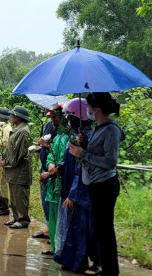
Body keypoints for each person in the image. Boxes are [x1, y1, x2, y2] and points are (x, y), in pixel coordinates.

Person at [70, 92, 124, 276]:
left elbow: (110, 161)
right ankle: (108, 269)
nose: (88, 110)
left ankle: (111, 271)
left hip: (105, 185)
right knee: (101, 231)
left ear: (96, 109)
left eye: (89, 107)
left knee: (105, 231)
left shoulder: (110, 130)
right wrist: (85, 144)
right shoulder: (100, 128)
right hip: (95, 184)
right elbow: (98, 152)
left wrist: (82, 154)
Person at [54, 98, 101, 273]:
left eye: (69, 117)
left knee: (84, 229)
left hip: (82, 192)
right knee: (76, 228)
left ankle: (91, 263)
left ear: (77, 117)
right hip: (73, 189)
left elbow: (80, 170)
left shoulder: (86, 138)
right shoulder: (77, 136)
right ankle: (75, 261)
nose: (67, 121)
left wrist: (73, 194)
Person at [1, 106, 32, 229]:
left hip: (19, 170)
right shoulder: (17, 129)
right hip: (13, 169)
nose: (11, 117)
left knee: (20, 196)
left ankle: (23, 220)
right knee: (14, 194)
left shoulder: (23, 131)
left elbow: (19, 153)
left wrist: (7, 162)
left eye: (13, 115)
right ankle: (16, 217)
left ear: (19, 117)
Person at [44, 112, 69, 253]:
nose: (53, 120)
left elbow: (67, 161)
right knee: (53, 216)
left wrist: (56, 169)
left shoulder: (67, 137)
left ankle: (61, 249)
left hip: (61, 183)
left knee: (61, 218)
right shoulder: (58, 136)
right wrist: (50, 165)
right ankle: (55, 248)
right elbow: (50, 157)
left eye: (55, 117)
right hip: (53, 183)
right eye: (52, 117)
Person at [32, 108, 59, 240]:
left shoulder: (62, 130)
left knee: (53, 201)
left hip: (54, 170)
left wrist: (46, 145)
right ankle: (49, 228)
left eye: (54, 116)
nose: (52, 118)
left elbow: (58, 149)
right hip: (45, 166)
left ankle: (54, 232)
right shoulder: (49, 125)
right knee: (45, 200)